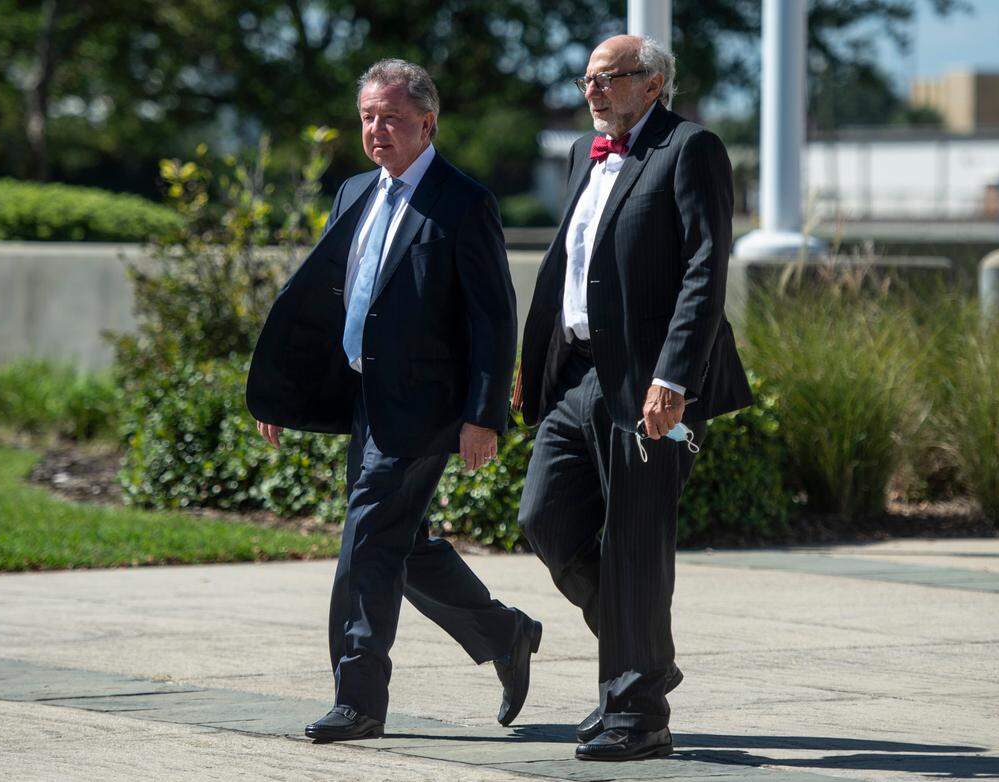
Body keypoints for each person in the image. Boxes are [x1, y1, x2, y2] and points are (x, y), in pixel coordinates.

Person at [247, 59, 540, 742]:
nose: (377, 130)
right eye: (368, 117)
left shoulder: (463, 201)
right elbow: (329, 302)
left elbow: (494, 317)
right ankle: (505, 632)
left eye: (392, 118)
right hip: (365, 400)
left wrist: (484, 415)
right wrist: (284, 391)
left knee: (366, 541)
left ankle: (358, 699)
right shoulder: (353, 192)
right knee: (397, 544)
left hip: (427, 407)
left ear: (427, 123)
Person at [513, 35, 753, 761]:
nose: (591, 91)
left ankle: (638, 714)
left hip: (651, 387)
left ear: (651, 84)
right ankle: (640, 657)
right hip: (578, 377)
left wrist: (674, 377)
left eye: (607, 79)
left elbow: (705, 270)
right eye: (586, 78)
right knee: (544, 519)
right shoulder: (583, 157)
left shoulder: (691, 149)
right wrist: (536, 361)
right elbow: (567, 271)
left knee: (637, 548)